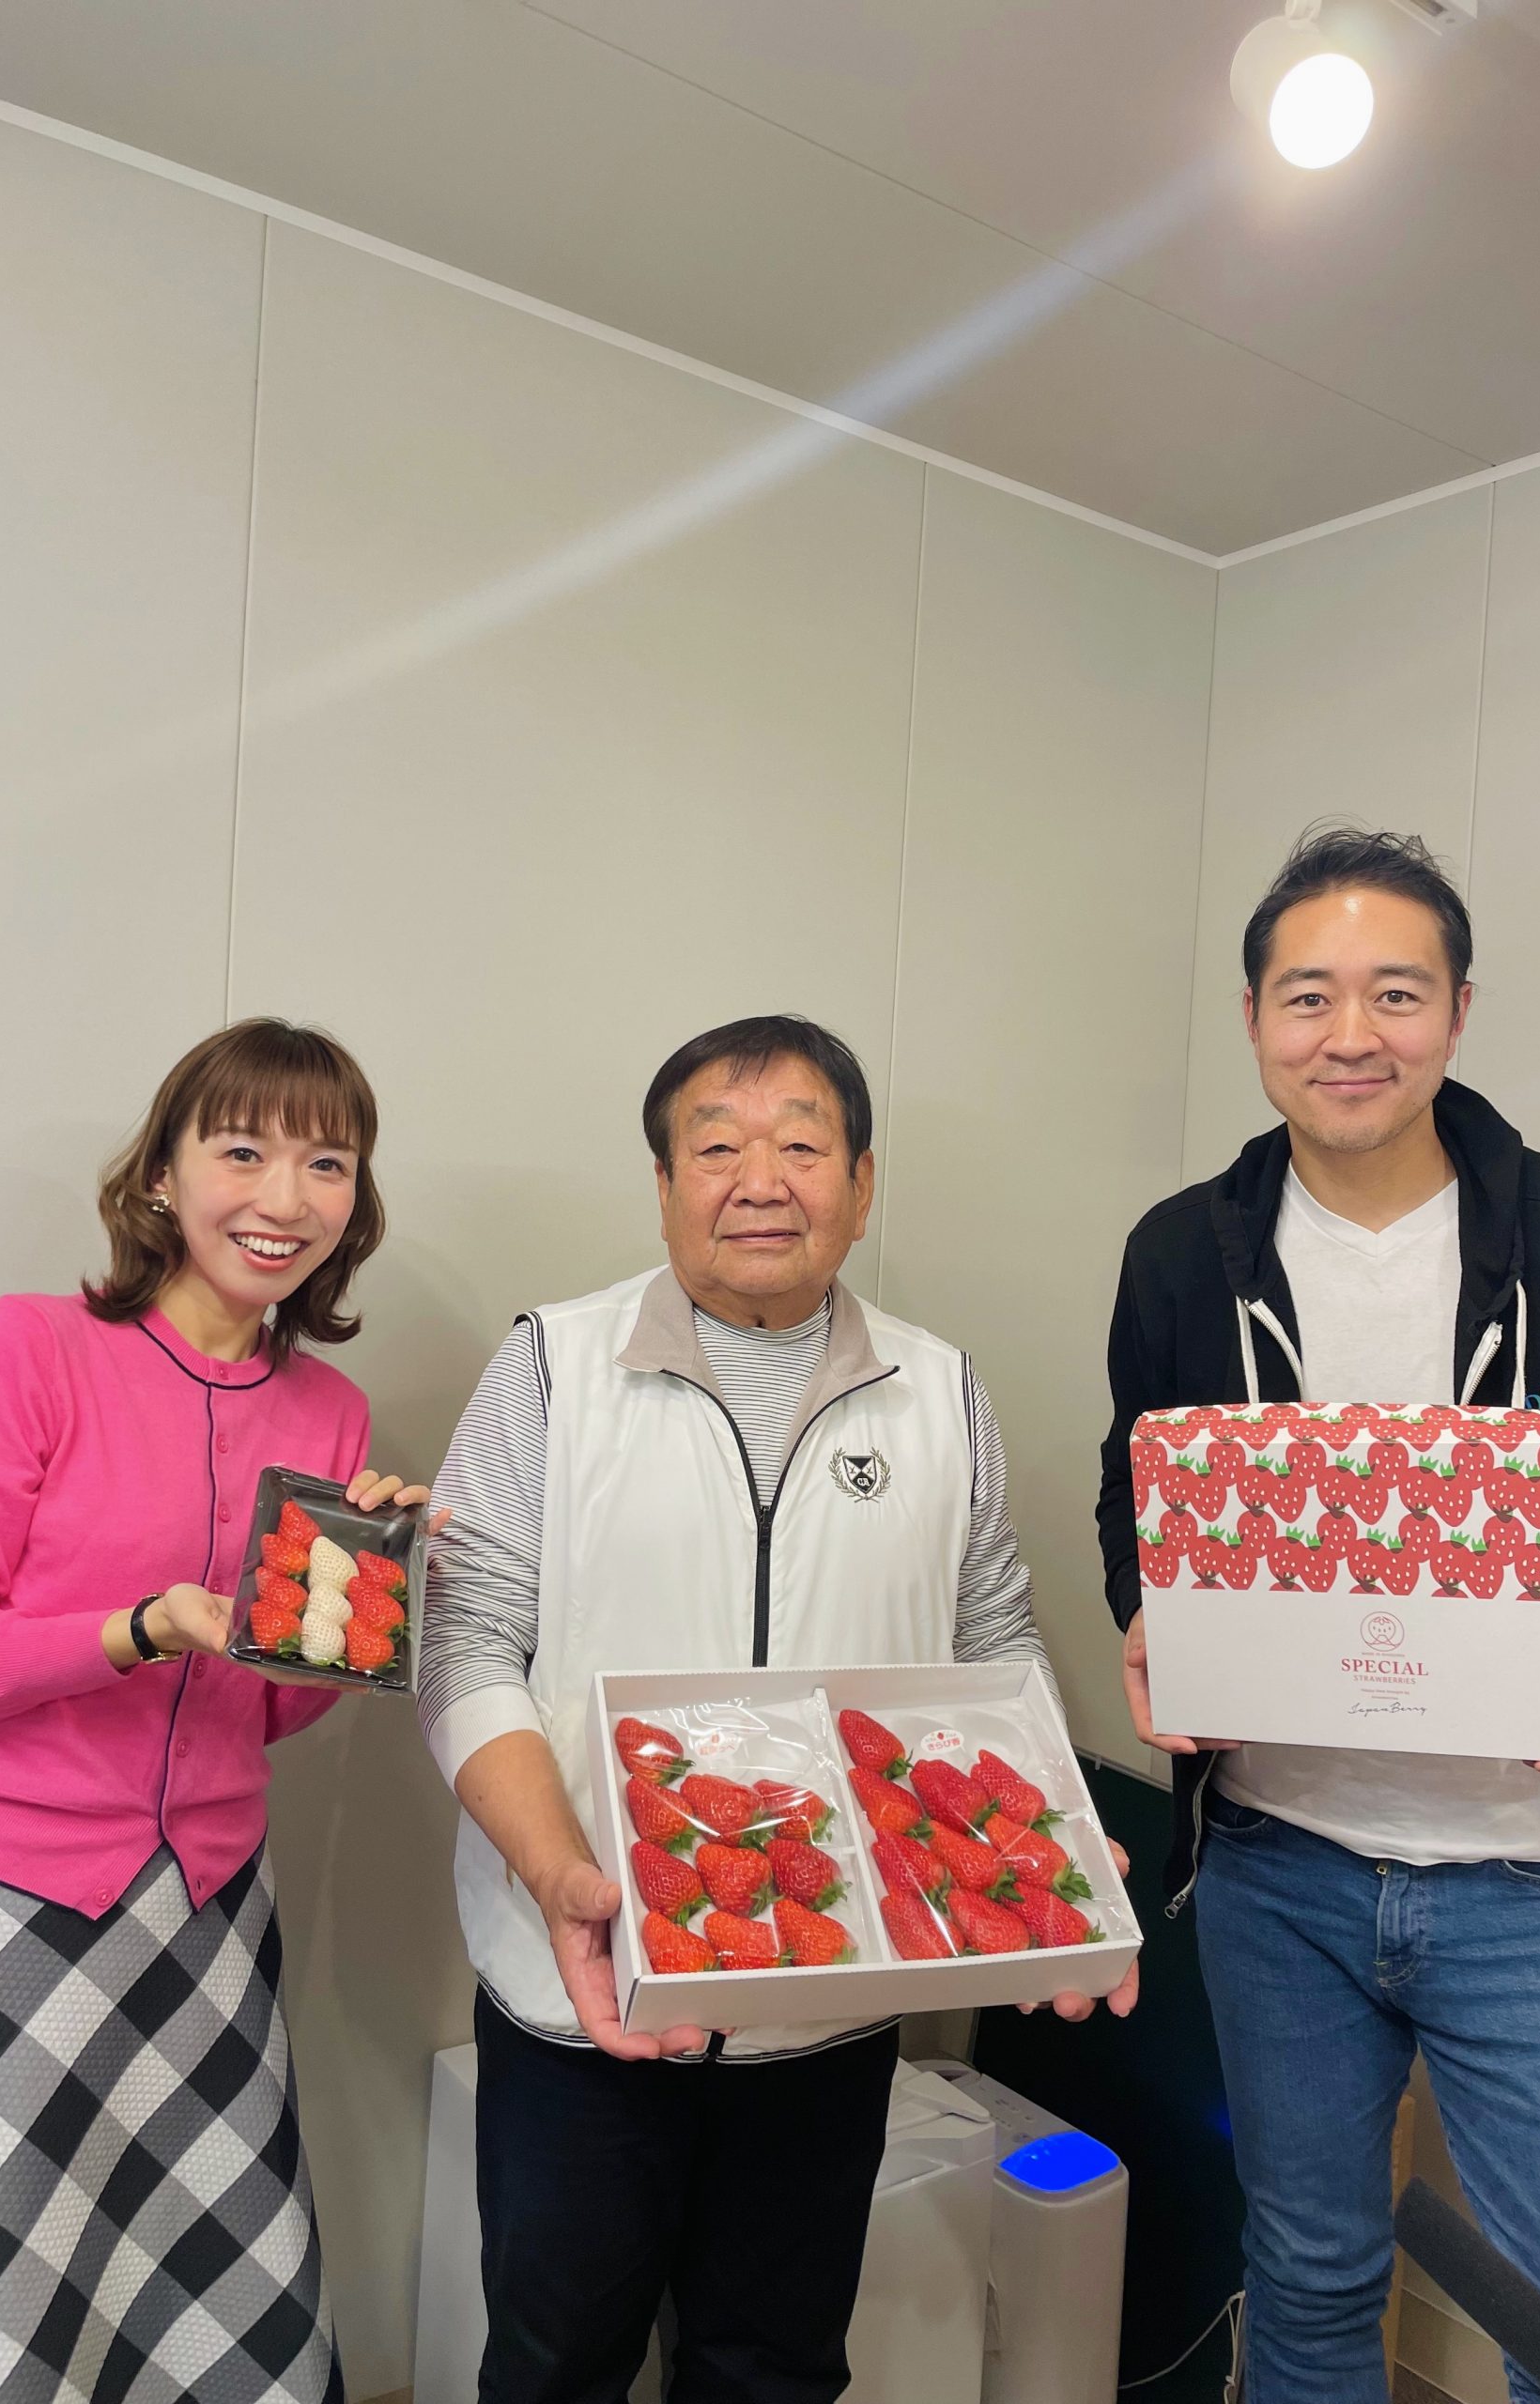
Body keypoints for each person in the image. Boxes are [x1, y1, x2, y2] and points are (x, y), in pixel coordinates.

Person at [420, 1010, 1136, 2404]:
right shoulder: (553, 1365)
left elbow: (992, 1642)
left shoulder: (939, 1389)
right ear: (664, 1183)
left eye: (803, 1146)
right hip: (587, 1987)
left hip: (832, 2009)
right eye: (717, 1148)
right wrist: (560, 1874)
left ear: (861, 1186)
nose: (762, 1181)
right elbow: (464, 1644)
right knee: (555, 2366)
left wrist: (1051, 1847)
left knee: (779, 2368)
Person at [1098, 827, 1540, 2403]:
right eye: (1309, 997)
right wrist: (1148, 1615)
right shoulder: (1183, 1251)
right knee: (1307, 2278)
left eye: (1396, 992)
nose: (1350, 1035)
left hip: (1538, 1874)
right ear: (1253, 1018)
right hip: (1278, 1870)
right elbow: (1135, 1486)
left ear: (1458, 1012)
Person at [0, 1019, 439, 2404]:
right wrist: (136, 1629)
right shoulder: (28, 1352)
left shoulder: (328, 1413)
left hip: (204, 1921)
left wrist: (354, 1614)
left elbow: (259, 1721)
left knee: (219, 2317)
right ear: (162, 1174)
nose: (285, 1197)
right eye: (243, 1151)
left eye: (327, 1163)